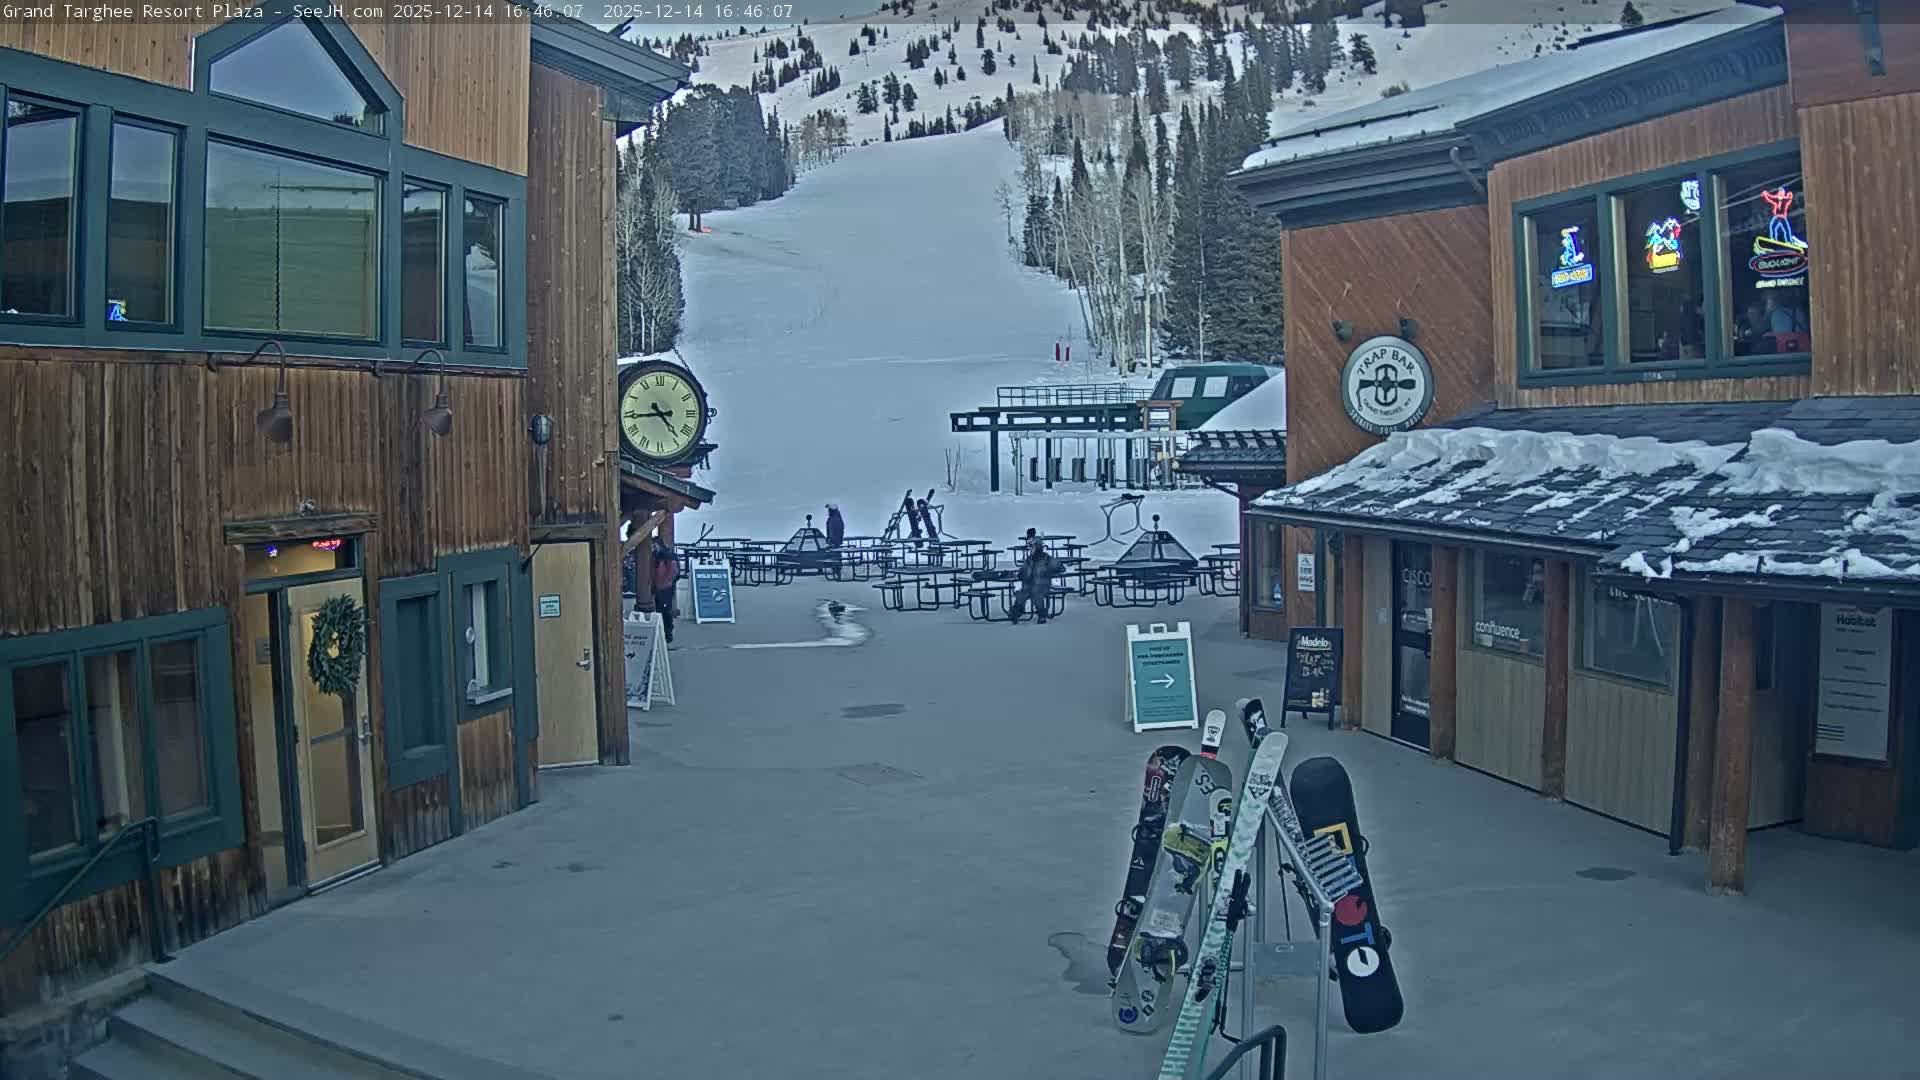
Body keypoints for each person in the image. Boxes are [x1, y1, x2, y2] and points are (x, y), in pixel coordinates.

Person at [1009, 529, 1056, 625]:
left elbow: (1060, 567)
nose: (1033, 549)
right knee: (1021, 595)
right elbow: (1022, 571)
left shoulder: (1047, 558)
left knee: (1037, 595)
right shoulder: (1029, 560)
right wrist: (1019, 574)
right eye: (1032, 547)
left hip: (1042, 585)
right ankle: (1016, 613)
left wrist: (1049, 572)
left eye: (1035, 547)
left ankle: (1042, 616)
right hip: (1030, 586)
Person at [650, 537, 679, 644]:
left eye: (654, 545)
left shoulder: (667, 556)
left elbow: (673, 572)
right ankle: (665, 632)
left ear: (658, 545)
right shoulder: (657, 555)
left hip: (665, 587)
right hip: (660, 586)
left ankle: (668, 632)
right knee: (661, 610)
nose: (653, 547)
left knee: (665, 610)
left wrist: (663, 582)